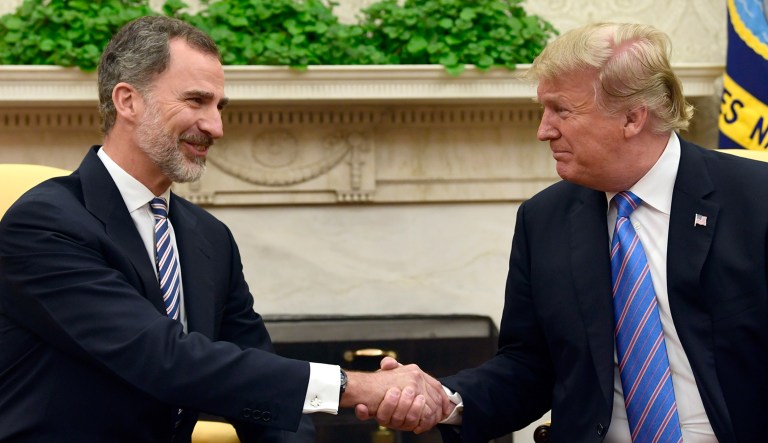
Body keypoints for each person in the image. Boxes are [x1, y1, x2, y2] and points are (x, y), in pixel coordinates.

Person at [0, 16, 448, 442]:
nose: (215, 126)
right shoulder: (43, 223)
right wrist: (354, 386)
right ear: (128, 101)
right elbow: (164, 359)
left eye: (219, 106)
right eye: (196, 101)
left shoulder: (207, 237)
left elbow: (260, 386)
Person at [364, 22, 768, 442]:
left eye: (561, 110)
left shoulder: (755, 203)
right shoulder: (545, 220)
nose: (544, 130)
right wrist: (447, 401)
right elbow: (529, 367)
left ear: (632, 117)